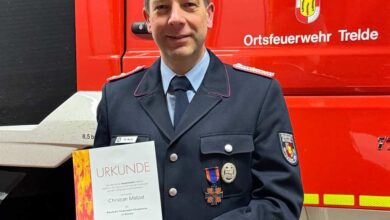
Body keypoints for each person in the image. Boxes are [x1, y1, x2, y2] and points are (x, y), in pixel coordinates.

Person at [94, 0, 303, 219]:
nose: (175, 18)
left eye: (189, 5)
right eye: (162, 7)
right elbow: (100, 202)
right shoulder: (115, 98)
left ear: (210, 14)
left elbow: (280, 203)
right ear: (148, 20)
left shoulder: (258, 95)